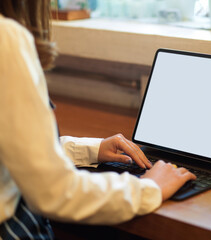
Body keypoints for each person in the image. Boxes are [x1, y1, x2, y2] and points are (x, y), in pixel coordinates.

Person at [0, 1, 196, 239]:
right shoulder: (6, 38)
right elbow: (56, 192)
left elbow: (14, 146)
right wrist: (149, 188)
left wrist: (91, 149)